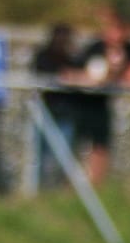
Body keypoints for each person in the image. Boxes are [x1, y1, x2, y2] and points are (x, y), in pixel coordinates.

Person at [73, 8, 130, 187]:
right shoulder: (95, 47)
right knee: (79, 142)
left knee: (101, 145)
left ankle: (97, 184)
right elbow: (81, 71)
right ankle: (75, 184)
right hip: (88, 102)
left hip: (109, 104)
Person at [29, 22, 87, 189]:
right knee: (41, 155)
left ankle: (58, 188)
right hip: (46, 110)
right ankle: (39, 188)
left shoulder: (74, 57)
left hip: (66, 112)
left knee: (64, 154)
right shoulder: (44, 56)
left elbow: (80, 73)